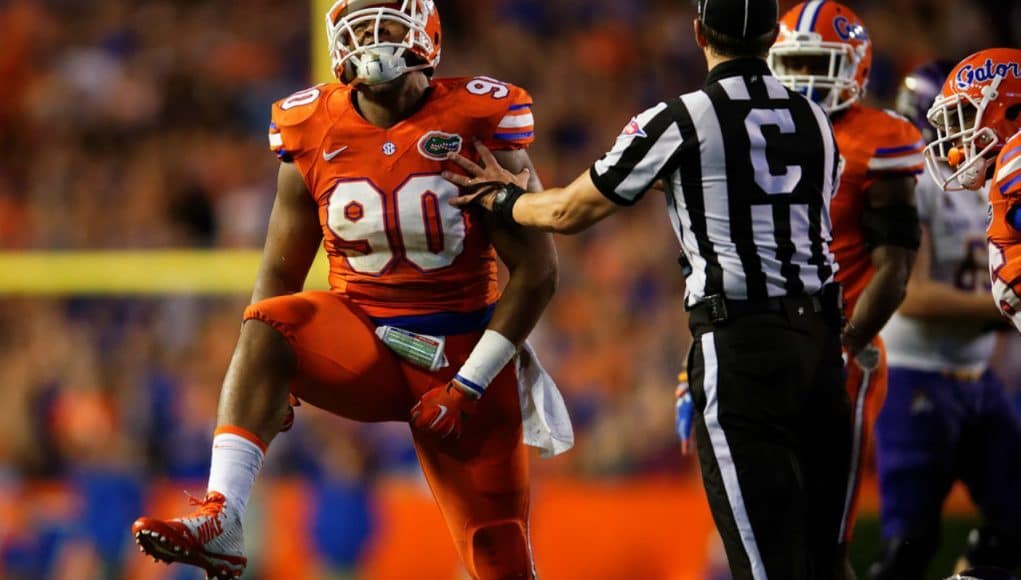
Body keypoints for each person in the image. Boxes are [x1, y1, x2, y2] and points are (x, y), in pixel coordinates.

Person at [130, 1, 567, 579]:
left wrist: (468, 384)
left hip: (461, 351)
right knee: (265, 323)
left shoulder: (478, 118)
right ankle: (223, 515)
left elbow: (538, 271)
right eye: (359, 24)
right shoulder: (310, 127)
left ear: (426, 33)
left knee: (499, 556)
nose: (370, 36)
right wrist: (273, 374)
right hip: (365, 338)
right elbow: (278, 276)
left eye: (386, 22)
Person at [445, 0, 851, 577]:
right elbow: (767, 196)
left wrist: (503, 198)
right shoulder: (815, 119)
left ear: (698, 33)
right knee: (826, 562)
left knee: (766, 565)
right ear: (772, 37)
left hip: (742, 347)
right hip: (820, 347)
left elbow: (567, 211)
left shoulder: (684, 117)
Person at [766, 3, 921, 576]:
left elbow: (894, 270)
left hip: (839, 353)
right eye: (793, 63)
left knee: (824, 543)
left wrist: (844, 343)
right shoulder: (749, 129)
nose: (804, 79)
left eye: (817, 62)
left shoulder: (880, 140)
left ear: (855, 67)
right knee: (768, 537)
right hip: (764, 350)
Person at [886, 47, 1021, 577]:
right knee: (910, 543)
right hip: (915, 373)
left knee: (1014, 517)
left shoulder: (997, 175)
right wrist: (998, 307)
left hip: (975, 371)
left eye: (963, 118)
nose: (952, 137)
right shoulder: (916, 181)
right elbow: (912, 295)